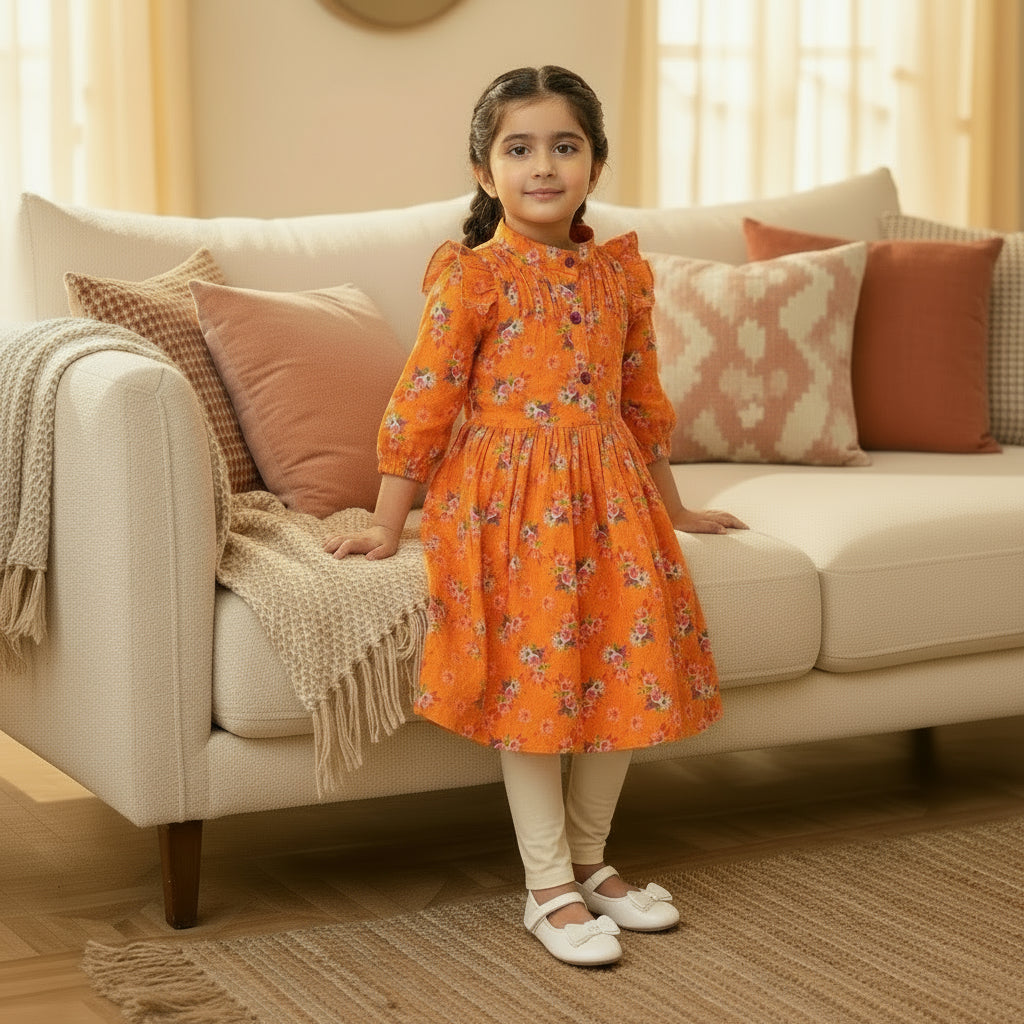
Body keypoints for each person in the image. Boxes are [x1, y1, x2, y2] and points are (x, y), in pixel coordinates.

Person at [325, 65, 746, 967]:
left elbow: (642, 403)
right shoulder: (473, 277)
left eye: (565, 146)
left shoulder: (619, 276)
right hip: (506, 504)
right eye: (519, 149)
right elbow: (423, 402)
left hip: (611, 494)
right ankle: (546, 883)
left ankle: (591, 862)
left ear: (595, 164)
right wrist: (389, 523)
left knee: (630, 665)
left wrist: (676, 508)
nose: (544, 165)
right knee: (537, 685)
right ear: (486, 171)